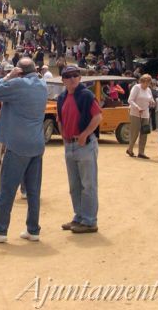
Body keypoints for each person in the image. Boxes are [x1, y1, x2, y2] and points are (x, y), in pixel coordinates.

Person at [0, 58, 48, 244]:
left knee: (7, 189)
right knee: (33, 190)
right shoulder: (42, 84)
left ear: (19, 71)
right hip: (37, 143)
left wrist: (8, 76)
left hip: (18, 144)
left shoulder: (18, 83)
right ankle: (33, 230)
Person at [56, 65, 100, 234]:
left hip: (85, 144)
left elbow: (98, 116)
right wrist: (63, 134)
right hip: (70, 144)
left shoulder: (86, 95)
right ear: (63, 80)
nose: (72, 78)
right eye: (68, 76)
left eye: (75, 75)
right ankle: (79, 216)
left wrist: (84, 134)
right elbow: (59, 118)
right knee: (74, 185)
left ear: (80, 78)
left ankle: (89, 221)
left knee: (88, 184)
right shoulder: (61, 97)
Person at [127, 74, 153, 159]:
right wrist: (137, 107)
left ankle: (141, 152)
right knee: (134, 132)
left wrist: (152, 102)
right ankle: (130, 149)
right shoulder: (136, 88)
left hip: (145, 114)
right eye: (146, 83)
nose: (147, 85)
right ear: (141, 81)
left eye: (148, 83)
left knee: (144, 133)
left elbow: (150, 98)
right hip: (135, 113)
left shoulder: (148, 89)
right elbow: (130, 100)